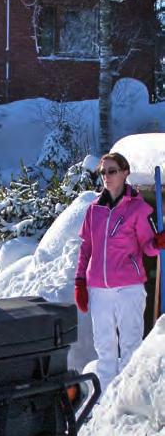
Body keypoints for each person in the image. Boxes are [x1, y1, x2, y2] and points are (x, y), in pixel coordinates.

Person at [74, 151, 165, 390]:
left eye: (112, 171)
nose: (107, 176)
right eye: (103, 172)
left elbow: (147, 247)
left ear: (125, 173)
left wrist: (157, 243)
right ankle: (104, 405)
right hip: (99, 291)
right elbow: (86, 248)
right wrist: (80, 281)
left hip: (129, 289)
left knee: (130, 348)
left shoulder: (138, 209)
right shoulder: (94, 210)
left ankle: (126, 401)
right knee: (104, 350)